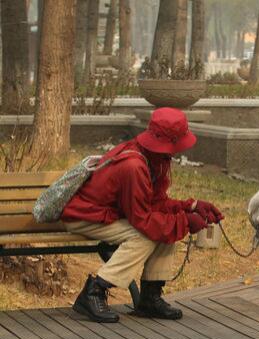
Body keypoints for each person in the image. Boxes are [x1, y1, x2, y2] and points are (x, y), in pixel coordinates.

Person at [61, 107, 224, 323]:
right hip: (84, 216)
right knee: (146, 235)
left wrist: (190, 206)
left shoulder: (152, 157)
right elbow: (142, 220)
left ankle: (150, 297)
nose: (176, 152)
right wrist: (185, 221)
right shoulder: (134, 166)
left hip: (109, 214)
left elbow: (156, 202)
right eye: (175, 145)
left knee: (166, 229)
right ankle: (94, 292)